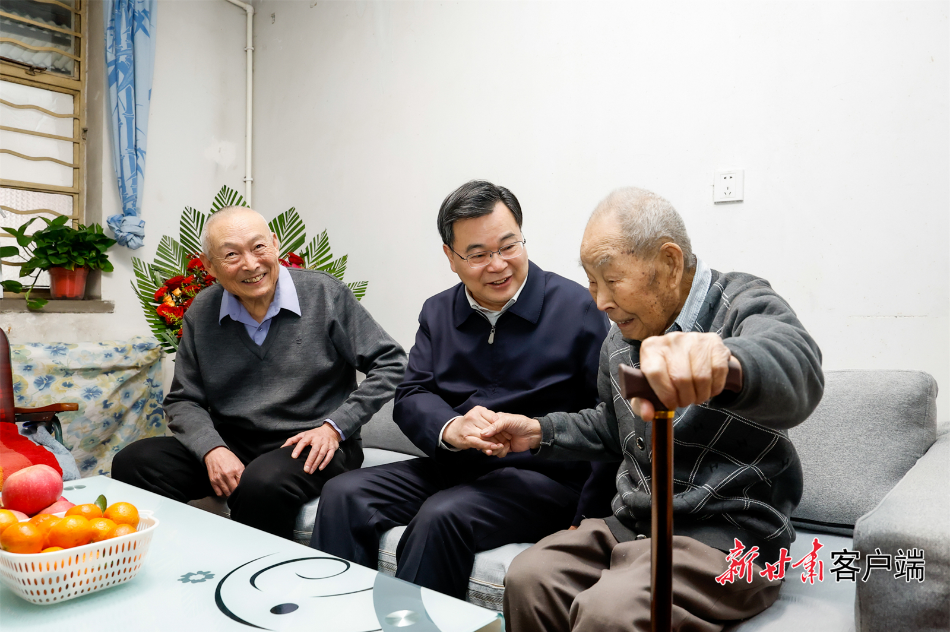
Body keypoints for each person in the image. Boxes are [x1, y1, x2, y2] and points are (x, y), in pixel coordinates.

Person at [482, 187, 824, 632]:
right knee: (530, 576)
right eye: (591, 282)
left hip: (729, 538)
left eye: (612, 279)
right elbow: (613, 425)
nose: (600, 301)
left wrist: (723, 363)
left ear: (669, 262)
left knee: (611, 612)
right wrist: (539, 432)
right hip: (635, 526)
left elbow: (799, 367)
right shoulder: (620, 337)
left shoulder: (742, 300)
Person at [311, 180, 617, 599]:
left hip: (544, 478)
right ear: (450, 257)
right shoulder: (438, 311)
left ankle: (408, 627)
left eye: (508, 246)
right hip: (457, 466)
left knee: (443, 516)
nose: (498, 265)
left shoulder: (577, 307)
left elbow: (609, 416)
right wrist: (450, 428)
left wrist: (589, 518)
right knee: (344, 493)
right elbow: (412, 394)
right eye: (477, 254)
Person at [112, 206, 406, 540]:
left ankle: (247, 571)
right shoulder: (203, 310)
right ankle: (174, 558)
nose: (251, 264)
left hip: (312, 444)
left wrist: (335, 428)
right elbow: (183, 400)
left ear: (275, 245)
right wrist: (213, 449)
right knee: (134, 461)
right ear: (209, 265)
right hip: (234, 442)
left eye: (258, 247)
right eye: (231, 254)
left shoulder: (324, 294)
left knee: (261, 482)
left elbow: (392, 362)